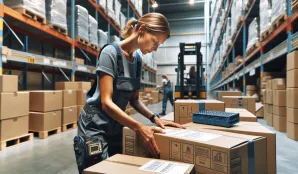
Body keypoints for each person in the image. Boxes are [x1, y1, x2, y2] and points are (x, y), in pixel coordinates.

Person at [73, 13, 185, 174]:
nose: (155, 48)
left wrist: (155, 118)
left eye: (159, 45)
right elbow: (106, 102)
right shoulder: (110, 53)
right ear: (141, 30)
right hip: (94, 126)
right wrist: (139, 128)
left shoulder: (137, 60)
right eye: (155, 42)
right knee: (96, 170)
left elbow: (135, 100)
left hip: (116, 126)